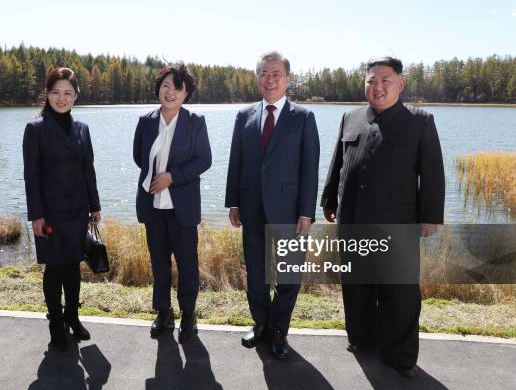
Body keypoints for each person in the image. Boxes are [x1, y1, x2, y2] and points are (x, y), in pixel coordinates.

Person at [321, 57, 445, 378]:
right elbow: (338, 162)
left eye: (385, 80)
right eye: (371, 80)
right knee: (357, 286)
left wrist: (430, 216)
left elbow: (432, 174)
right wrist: (329, 198)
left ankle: (400, 355)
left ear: (400, 84)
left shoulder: (420, 121)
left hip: (397, 222)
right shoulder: (351, 117)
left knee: (399, 292)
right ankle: (361, 339)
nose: (377, 87)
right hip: (353, 217)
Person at [225, 51, 320, 360]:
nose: (270, 79)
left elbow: (310, 168)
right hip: (252, 209)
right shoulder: (244, 116)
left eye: (276, 74)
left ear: (287, 79)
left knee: (289, 275)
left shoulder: (304, 117)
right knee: (256, 273)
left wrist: (307, 211)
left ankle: (279, 329)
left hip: (290, 213)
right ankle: (261, 324)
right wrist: (233, 203)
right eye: (264, 73)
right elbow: (236, 162)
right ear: (258, 78)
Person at [23, 67, 101, 351]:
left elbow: (87, 170)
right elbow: (31, 176)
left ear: (76, 96)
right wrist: (36, 216)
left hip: (77, 210)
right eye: (56, 92)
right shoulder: (35, 129)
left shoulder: (82, 129)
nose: (61, 98)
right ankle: (56, 324)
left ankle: (73, 317)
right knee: (54, 269)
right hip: (50, 213)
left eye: (68, 93)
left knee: (73, 267)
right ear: (47, 94)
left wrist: (95, 205)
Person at [133, 63, 212, 343]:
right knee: (159, 265)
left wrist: (171, 177)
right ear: (158, 89)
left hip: (183, 208)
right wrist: (156, 177)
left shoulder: (195, 121)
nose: (170, 92)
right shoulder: (145, 121)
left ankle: (188, 315)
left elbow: (204, 160)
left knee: (188, 265)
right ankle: (164, 313)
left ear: (186, 92)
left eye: (177, 87)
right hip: (153, 207)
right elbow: (139, 158)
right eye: (165, 85)